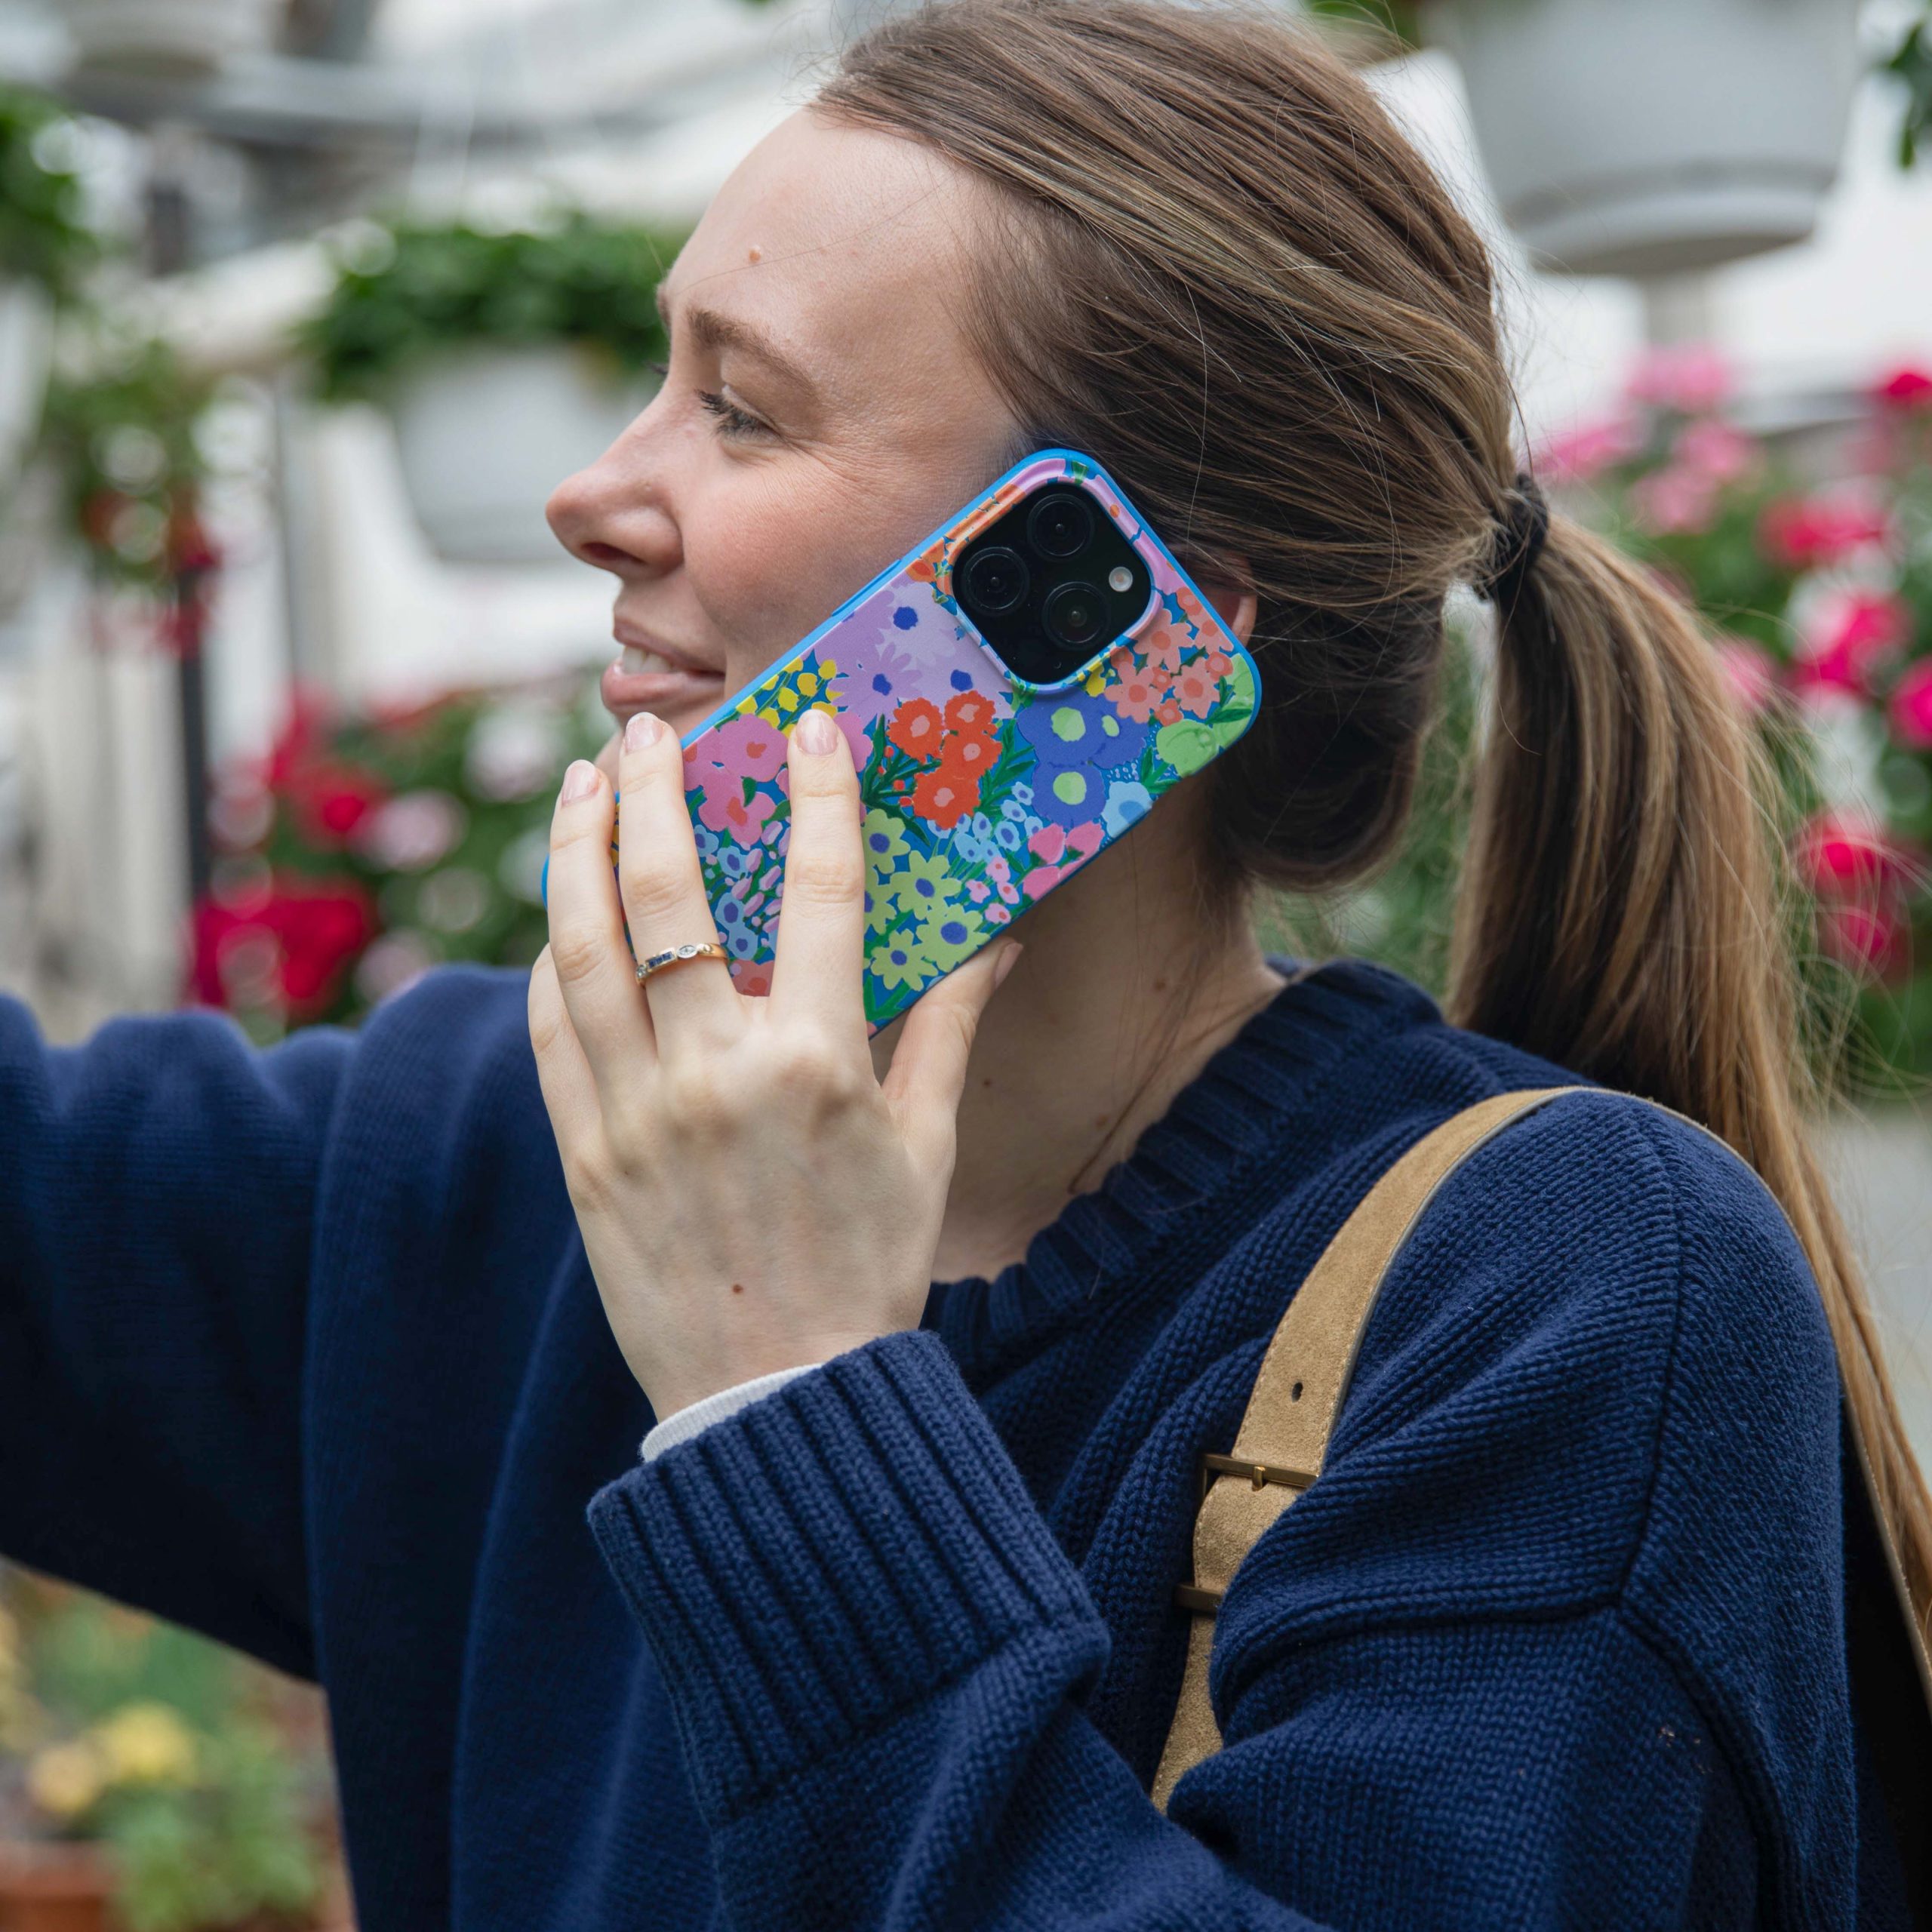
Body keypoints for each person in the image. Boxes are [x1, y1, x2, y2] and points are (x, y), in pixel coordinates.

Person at [2, 0, 1927, 1923]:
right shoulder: (487, 1162)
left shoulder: (1563, 1288)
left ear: (1132, 611)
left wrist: (785, 1401)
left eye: (741, 407)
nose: (587, 494)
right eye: (654, 379)